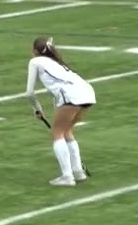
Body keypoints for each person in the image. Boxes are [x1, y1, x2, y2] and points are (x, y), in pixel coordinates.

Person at [25, 36, 94, 186]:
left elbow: (29, 92)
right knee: (67, 130)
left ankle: (67, 177)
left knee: (57, 132)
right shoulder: (56, 62)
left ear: (35, 51)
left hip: (72, 96)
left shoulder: (35, 62)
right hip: (88, 93)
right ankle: (78, 172)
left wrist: (37, 109)